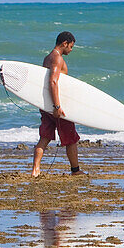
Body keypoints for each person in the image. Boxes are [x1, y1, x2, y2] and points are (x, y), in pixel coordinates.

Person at [31, 31, 85, 177]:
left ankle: (35, 169)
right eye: (71, 46)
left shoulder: (47, 57)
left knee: (45, 137)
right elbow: (53, 82)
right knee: (71, 139)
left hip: (46, 104)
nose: (71, 50)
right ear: (64, 43)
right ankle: (75, 170)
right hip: (56, 106)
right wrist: (57, 107)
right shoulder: (57, 59)